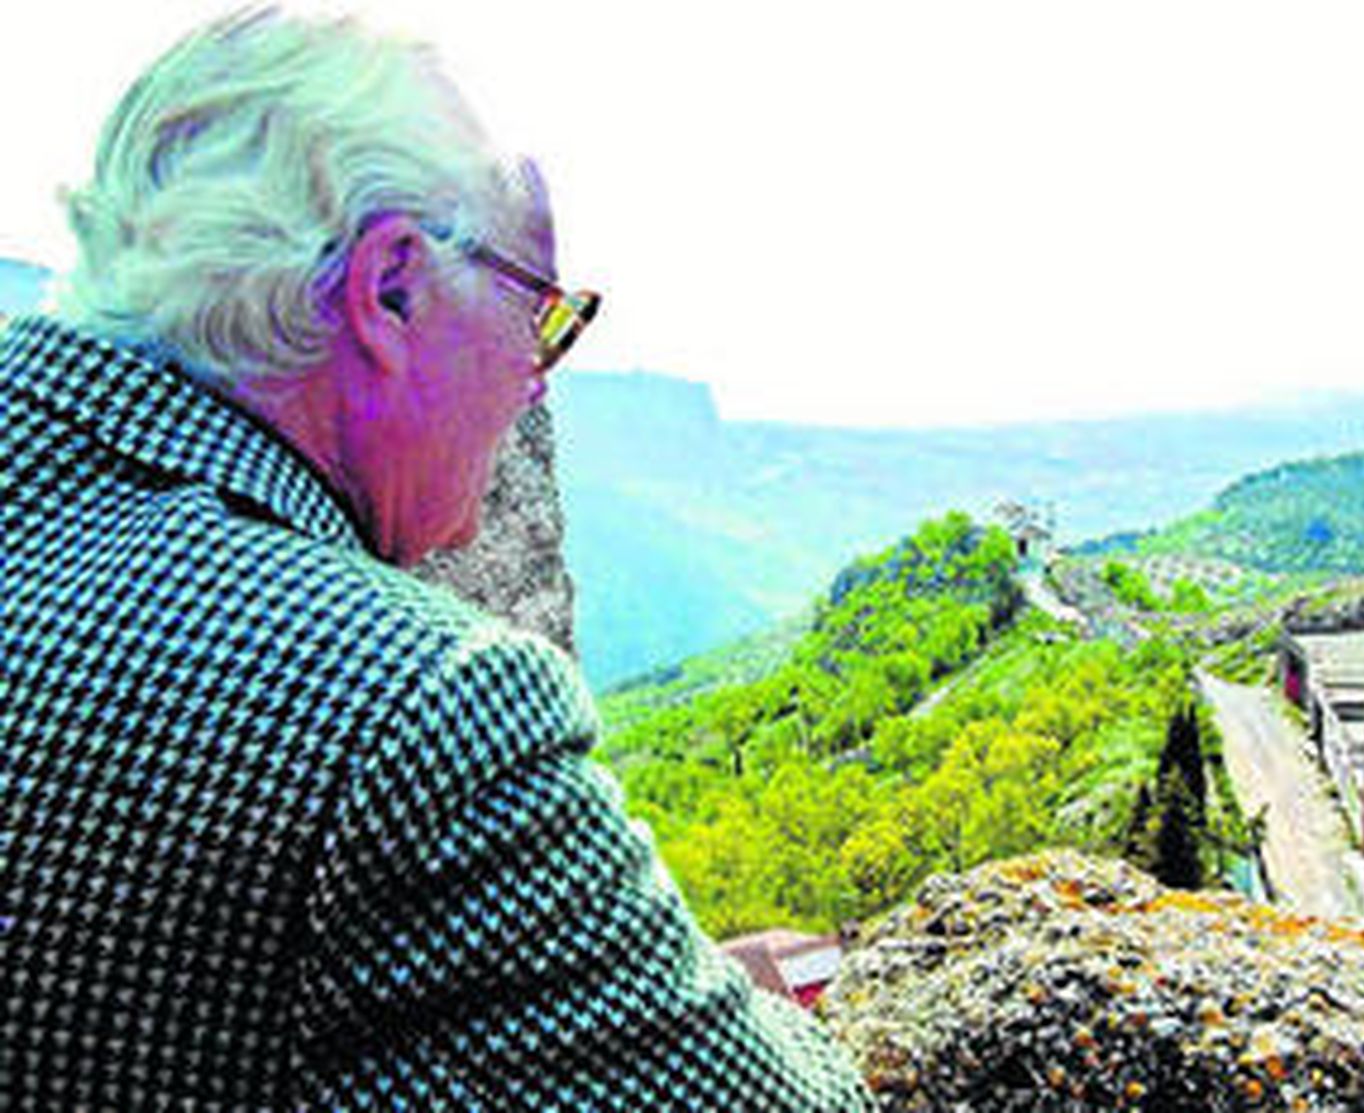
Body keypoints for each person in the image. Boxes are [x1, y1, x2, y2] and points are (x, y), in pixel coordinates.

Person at [0, 9, 871, 1111]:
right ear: (389, 289)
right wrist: (705, 1011)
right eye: (537, 308)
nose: (535, 375)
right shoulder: (411, 710)